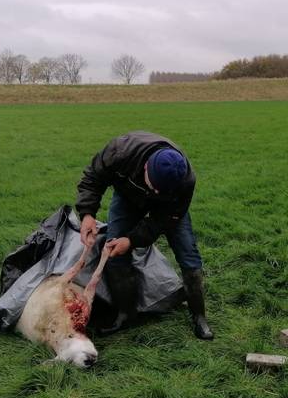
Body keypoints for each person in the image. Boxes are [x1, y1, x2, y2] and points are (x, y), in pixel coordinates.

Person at [75, 131, 214, 340]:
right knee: (114, 253)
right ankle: (125, 315)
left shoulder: (185, 180)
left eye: (162, 191)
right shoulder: (120, 152)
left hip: (168, 210)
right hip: (128, 197)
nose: (156, 193)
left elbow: (166, 219)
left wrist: (131, 241)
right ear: (146, 166)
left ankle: (199, 317)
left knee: (189, 257)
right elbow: (93, 177)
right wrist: (87, 214)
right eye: (155, 187)